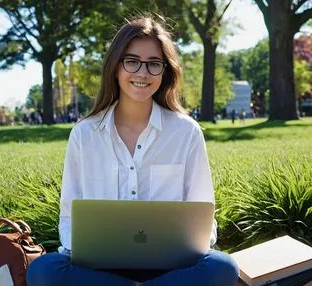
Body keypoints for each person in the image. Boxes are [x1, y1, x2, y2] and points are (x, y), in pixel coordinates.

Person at [26, 15, 239, 286]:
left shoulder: (187, 132)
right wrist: (77, 251)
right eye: (132, 61)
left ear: (165, 71)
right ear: (116, 66)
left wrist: (193, 248)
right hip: (101, 271)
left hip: (170, 269)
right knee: (43, 270)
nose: (142, 73)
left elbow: (204, 216)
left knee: (223, 267)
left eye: (153, 64)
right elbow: (69, 215)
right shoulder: (84, 134)